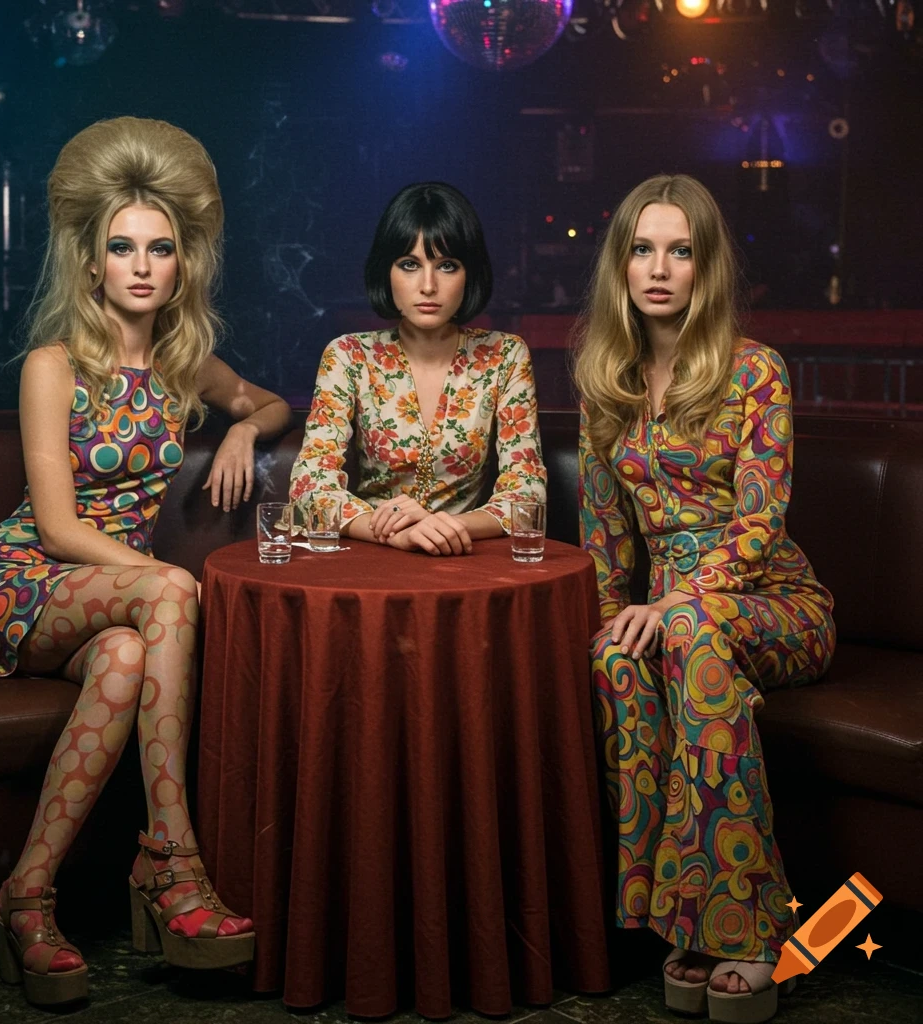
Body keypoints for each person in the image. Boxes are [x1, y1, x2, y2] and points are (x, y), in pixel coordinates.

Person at [0, 116, 291, 1008]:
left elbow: (275, 402)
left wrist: (242, 430)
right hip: (19, 583)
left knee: (131, 658)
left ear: (183, 265)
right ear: (92, 262)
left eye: (161, 248)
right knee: (172, 596)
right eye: (122, 247)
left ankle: (25, 898)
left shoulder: (184, 367)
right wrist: (158, 580)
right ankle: (174, 865)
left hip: (113, 601)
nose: (142, 265)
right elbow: (58, 530)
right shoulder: (53, 364)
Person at [573, 174, 834, 1024]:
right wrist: (608, 616)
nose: (659, 268)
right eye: (643, 249)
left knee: (683, 626)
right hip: (676, 618)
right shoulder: (604, 381)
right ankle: (680, 914)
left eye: (679, 250)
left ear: (705, 265)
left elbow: (761, 525)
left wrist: (676, 600)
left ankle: (752, 926)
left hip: (775, 603)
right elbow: (607, 532)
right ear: (620, 265)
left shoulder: (755, 371)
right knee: (617, 650)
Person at [289, 181, 546, 554]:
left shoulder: (504, 355)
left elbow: (527, 494)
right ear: (386, 271)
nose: (428, 285)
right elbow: (309, 487)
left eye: (447, 266)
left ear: (469, 274)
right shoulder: (348, 355)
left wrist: (445, 528)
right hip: (373, 553)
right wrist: (392, 531)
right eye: (410, 264)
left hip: (463, 556)